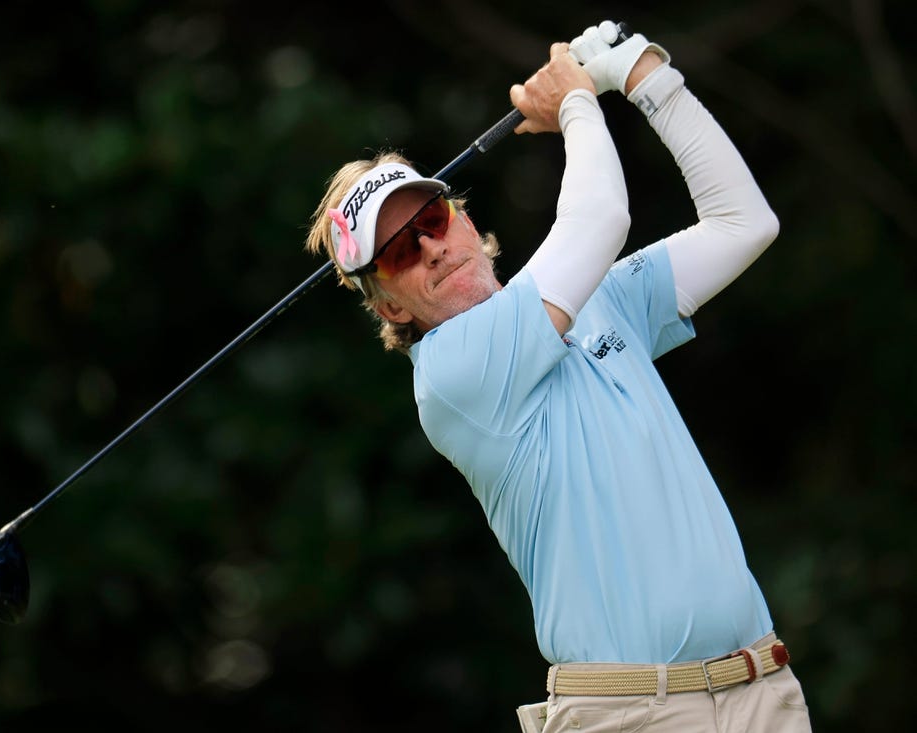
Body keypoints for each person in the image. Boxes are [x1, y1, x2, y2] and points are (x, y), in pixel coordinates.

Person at [305, 20, 811, 733]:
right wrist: (578, 102)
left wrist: (641, 73)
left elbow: (743, 223)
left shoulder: (597, 299)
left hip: (762, 687)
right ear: (389, 304)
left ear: (463, 217)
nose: (428, 246)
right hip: (633, 713)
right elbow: (599, 215)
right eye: (395, 252)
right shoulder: (452, 376)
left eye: (431, 215)